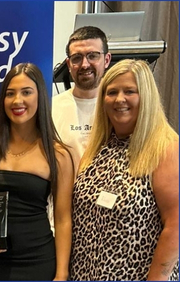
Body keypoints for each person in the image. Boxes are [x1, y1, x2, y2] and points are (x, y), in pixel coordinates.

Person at [0, 63, 74, 280]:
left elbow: (63, 220)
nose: (17, 101)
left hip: (37, 260)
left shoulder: (58, 155)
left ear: (40, 96)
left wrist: (61, 274)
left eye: (26, 92)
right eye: (10, 93)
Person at [71, 59, 179, 280]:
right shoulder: (98, 146)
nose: (119, 99)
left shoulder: (165, 148)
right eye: (111, 92)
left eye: (130, 91)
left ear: (146, 96)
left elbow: (176, 225)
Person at [52, 26, 112, 167]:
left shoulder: (119, 106)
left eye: (92, 56)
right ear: (68, 64)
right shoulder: (51, 109)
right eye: (77, 58)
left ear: (107, 59)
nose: (84, 65)